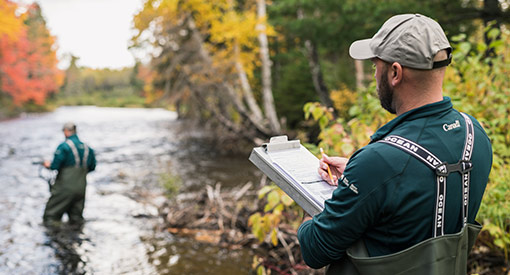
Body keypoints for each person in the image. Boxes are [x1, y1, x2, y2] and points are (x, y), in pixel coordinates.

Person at [297, 14, 492, 274]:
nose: (373, 72)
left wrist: (303, 199)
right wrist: (359, 176)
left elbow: (314, 250)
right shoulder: (475, 134)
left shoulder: (378, 162)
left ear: (395, 72)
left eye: (376, 64)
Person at [43, 122, 96, 225]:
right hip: (81, 188)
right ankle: (78, 237)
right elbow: (92, 167)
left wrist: (47, 164)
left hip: (65, 188)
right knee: (76, 219)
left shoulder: (64, 146)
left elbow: (55, 166)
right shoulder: (87, 148)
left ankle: (56, 238)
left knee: (50, 217)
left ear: (66, 131)